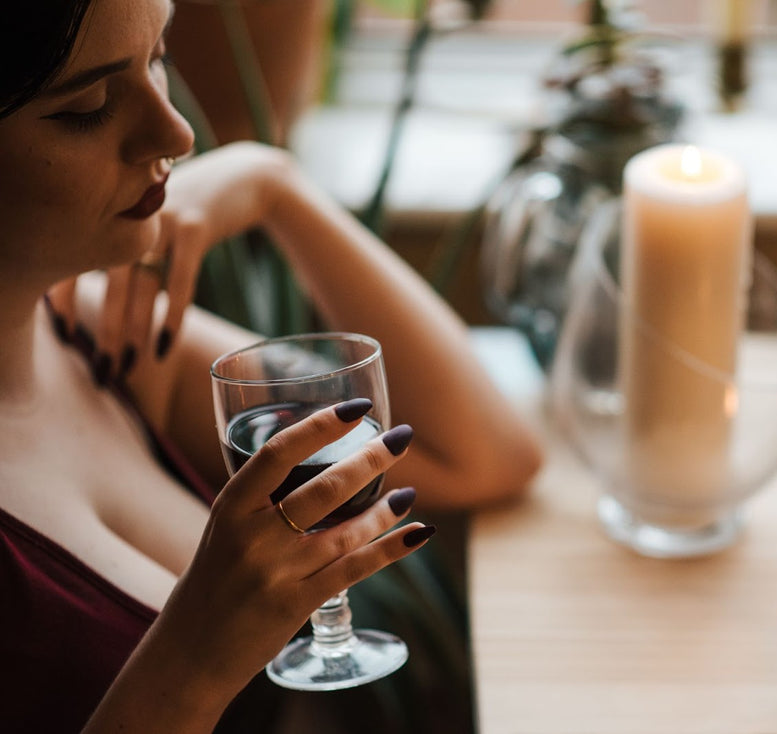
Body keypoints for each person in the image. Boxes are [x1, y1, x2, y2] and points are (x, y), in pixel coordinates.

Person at [0, 1, 544, 732]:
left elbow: (483, 455)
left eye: (158, 56)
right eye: (89, 107)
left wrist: (273, 186)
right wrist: (192, 661)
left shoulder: (92, 332)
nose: (176, 132)